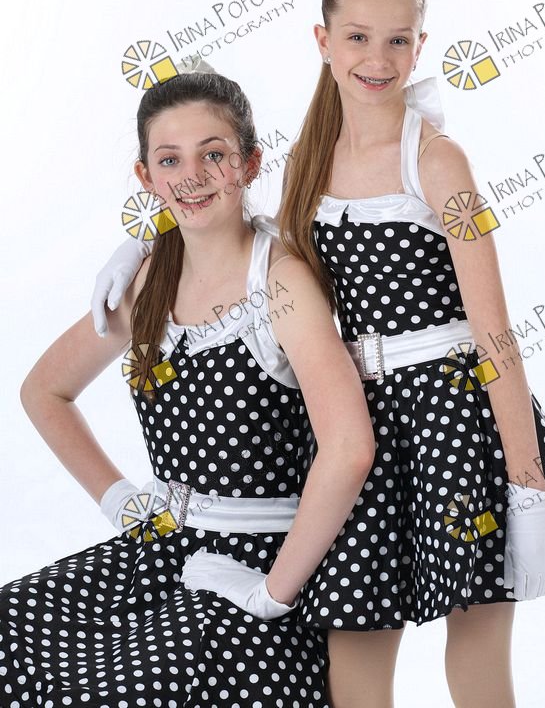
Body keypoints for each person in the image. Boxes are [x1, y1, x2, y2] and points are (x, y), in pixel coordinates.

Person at [88, 0, 545, 708]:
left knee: (473, 657)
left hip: (453, 419)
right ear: (323, 40)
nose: (378, 58)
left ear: (420, 45)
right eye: (358, 37)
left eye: (398, 39)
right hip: (361, 423)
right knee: (354, 660)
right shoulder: (309, 158)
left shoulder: (438, 161)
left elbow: (495, 332)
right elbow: (247, 233)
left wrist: (526, 488)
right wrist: (147, 241)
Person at [0, 63, 375, 708]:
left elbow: (349, 448)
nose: (191, 176)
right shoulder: (150, 279)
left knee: (128, 691)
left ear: (250, 164)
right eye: (169, 160)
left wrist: (274, 593)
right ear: (146, 177)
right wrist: (121, 502)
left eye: (214, 154)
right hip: (162, 548)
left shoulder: (279, 281)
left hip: (258, 564)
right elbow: (44, 391)